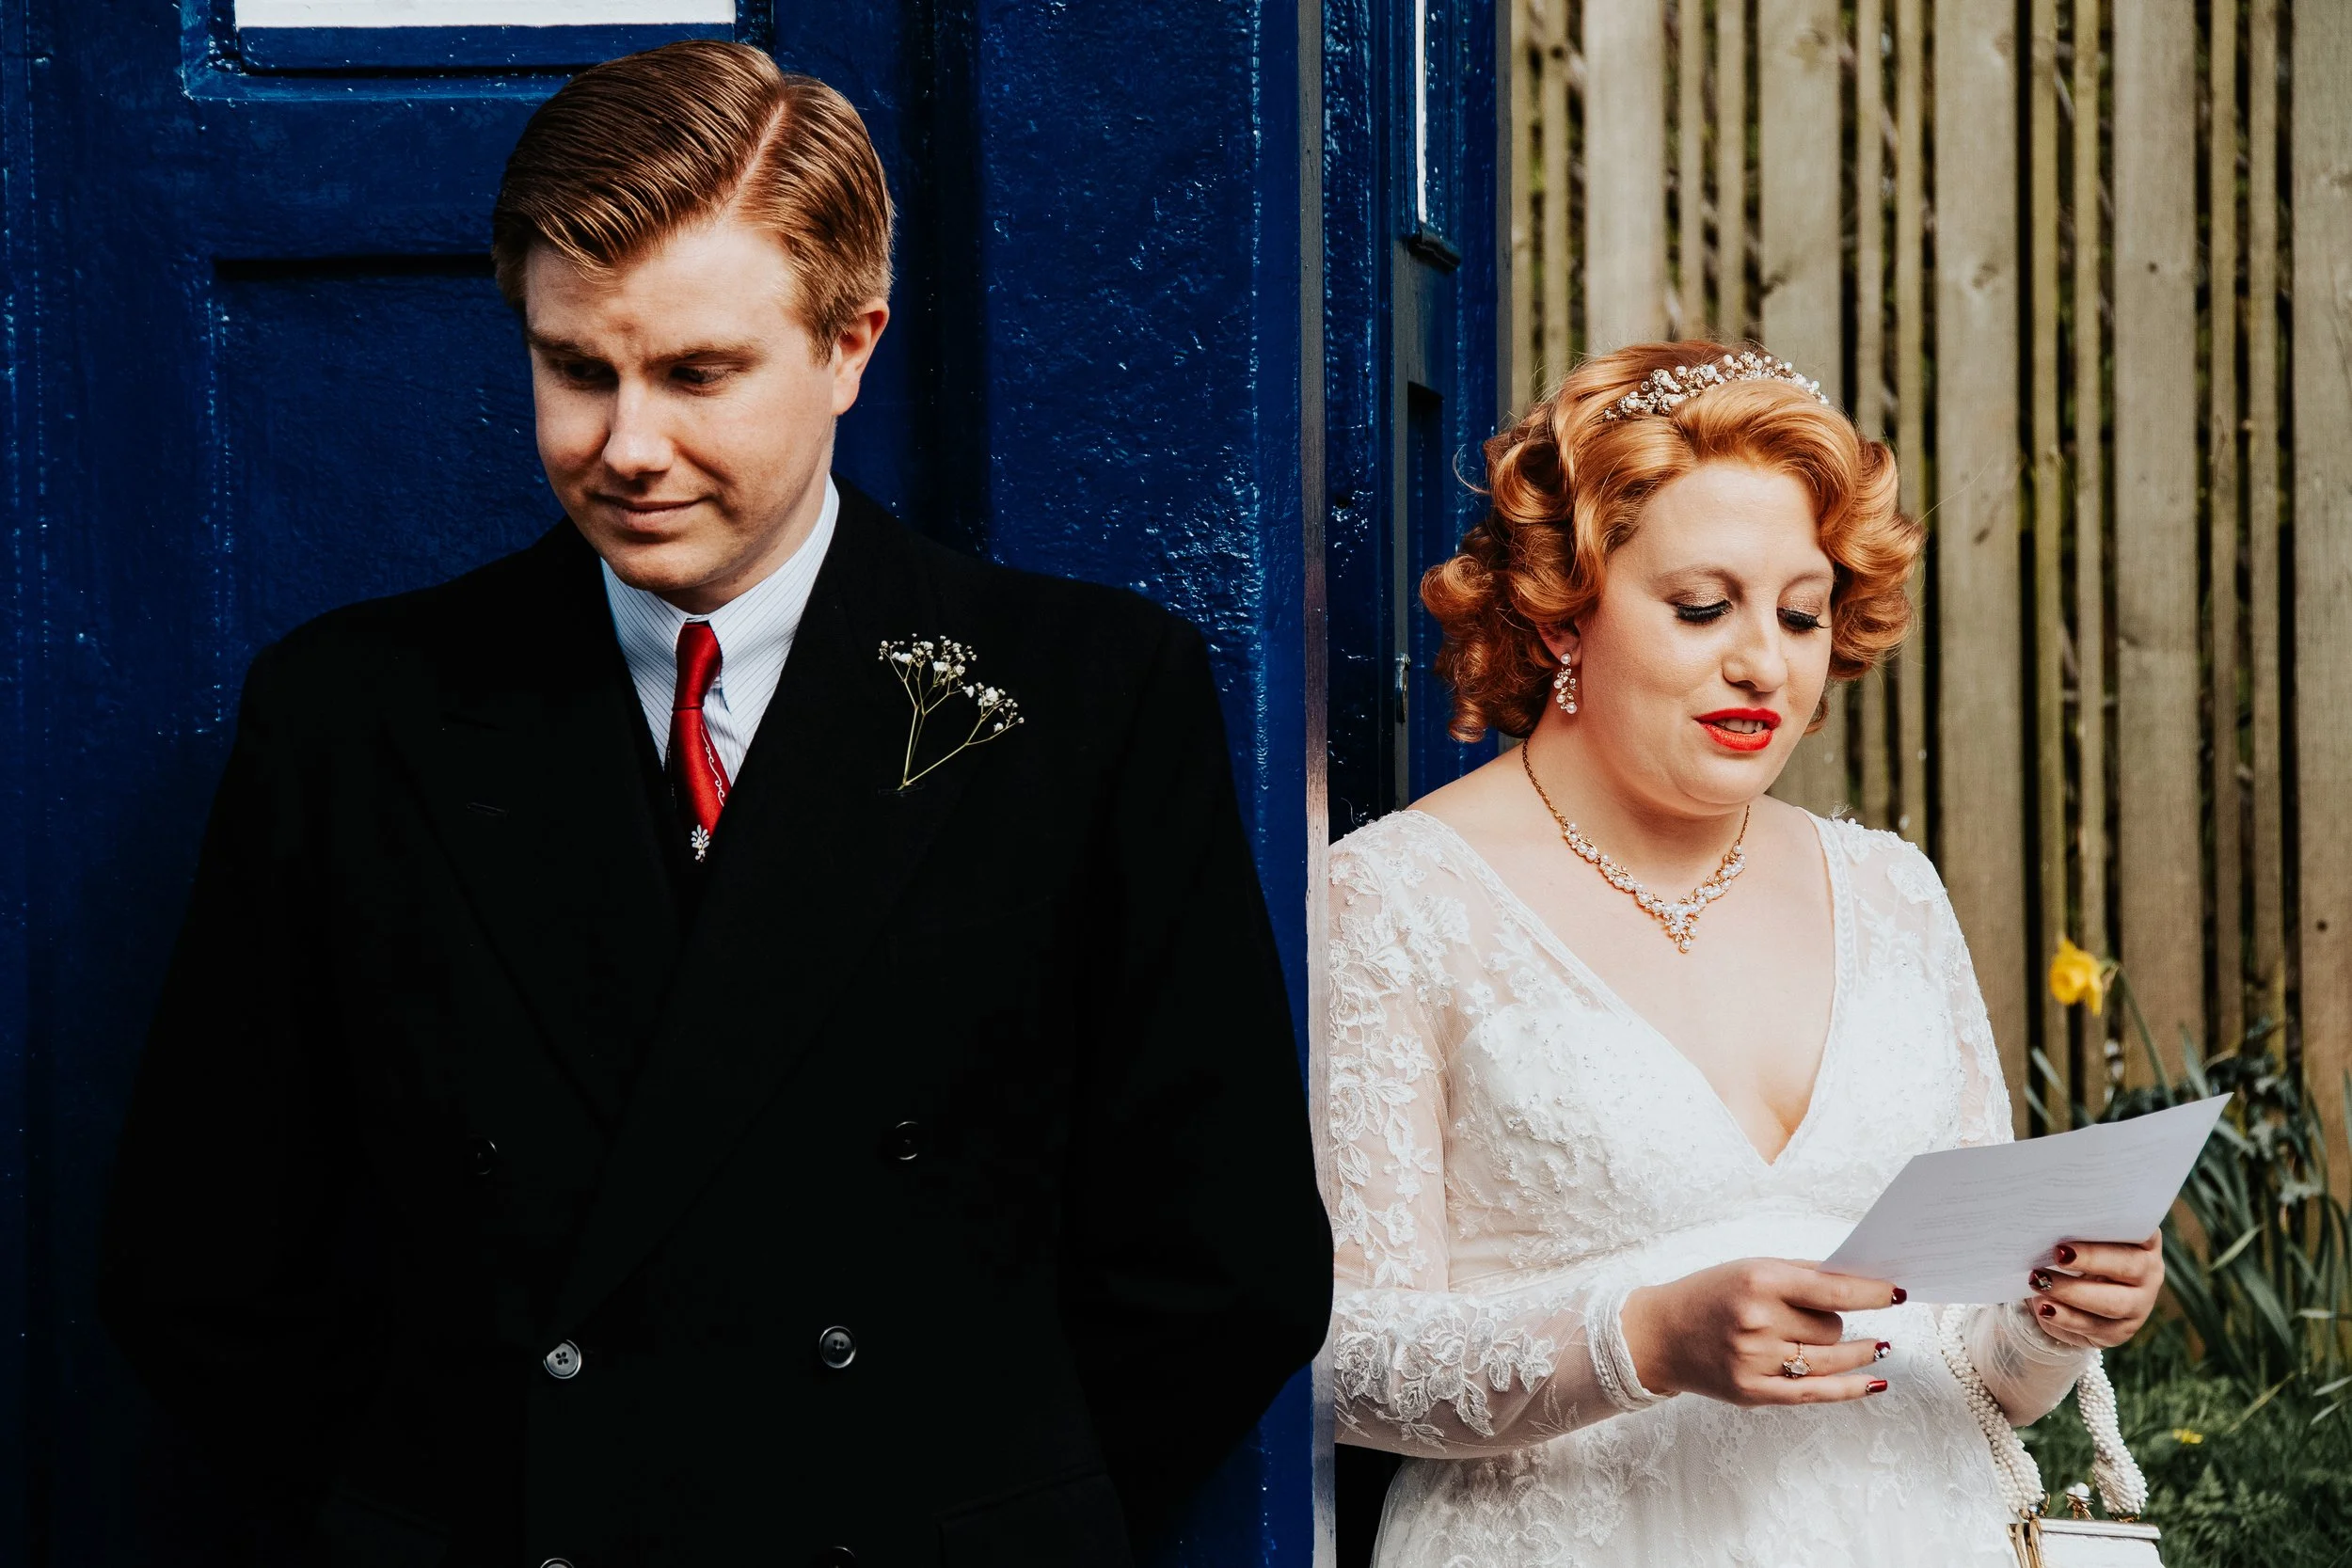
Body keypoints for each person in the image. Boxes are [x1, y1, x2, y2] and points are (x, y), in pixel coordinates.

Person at [99, 40, 1330, 1567]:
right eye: (575, 369)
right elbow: (200, 1257)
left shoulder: (1092, 694)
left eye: (696, 374)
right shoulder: (352, 713)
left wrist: (984, 1524)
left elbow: (1231, 1263)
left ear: (850, 343)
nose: (625, 445)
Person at [1324, 341, 2165, 1566]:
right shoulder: (1396, 899)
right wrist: (1646, 1337)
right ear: (1567, 605)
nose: (1762, 660)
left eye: (1802, 612)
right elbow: (1344, 1355)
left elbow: (1977, 1370)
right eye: (1702, 605)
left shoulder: (1891, 891)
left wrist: (2056, 1316)